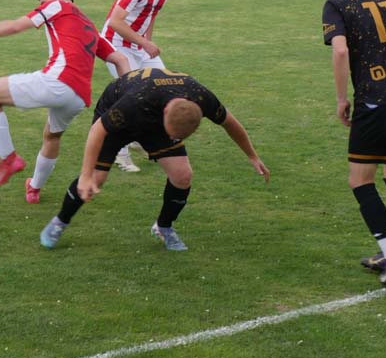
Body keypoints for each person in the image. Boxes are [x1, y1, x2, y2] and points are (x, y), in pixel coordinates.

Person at [39, 67, 270, 251]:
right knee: (96, 179)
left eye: (176, 137)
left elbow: (230, 123)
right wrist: (86, 175)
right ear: (167, 114)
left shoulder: (201, 97)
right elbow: (97, 131)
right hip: (117, 115)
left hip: (154, 120)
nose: (173, 139)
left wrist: (252, 156)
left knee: (183, 175)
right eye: (172, 134)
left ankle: (164, 227)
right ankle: (60, 221)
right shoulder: (137, 102)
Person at [0, 0, 130, 202]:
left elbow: (16, 25)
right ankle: (34, 188)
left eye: (42, 1)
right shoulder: (90, 26)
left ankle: (9, 159)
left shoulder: (57, 5)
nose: (41, 7)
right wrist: (128, 98)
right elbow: (121, 59)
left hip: (58, 81)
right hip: (78, 98)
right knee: (52, 136)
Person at [319, 0, 386, 282]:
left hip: (375, 101)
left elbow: (341, 50)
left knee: (360, 180)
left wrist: (340, 98)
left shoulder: (339, 4)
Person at [101, 0, 180, 173]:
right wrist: (145, 43)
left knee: (165, 87)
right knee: (132, 96)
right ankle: (119, 153)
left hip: (138, 44)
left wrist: (147, 40)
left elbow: (152, 11)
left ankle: (140, 139)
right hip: (114, 44)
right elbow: (114, 21)